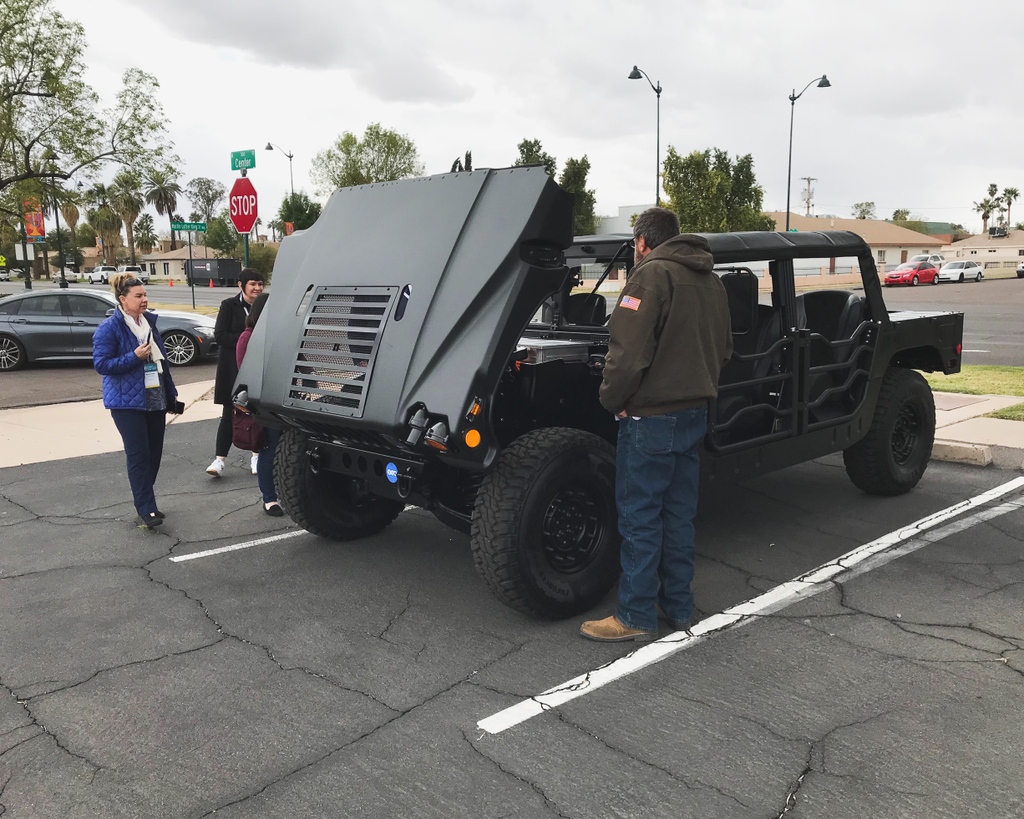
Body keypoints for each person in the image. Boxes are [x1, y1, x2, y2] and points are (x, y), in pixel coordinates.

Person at [580, 208, 733, 642]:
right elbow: (725, 350)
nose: (634, 250)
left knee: (641, 518)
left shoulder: (650, 277)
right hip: (693, 413)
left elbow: (626, 354)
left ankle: (634, 615)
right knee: (679, 517)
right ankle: (679, 607)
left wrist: (612, 400)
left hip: (650, 419)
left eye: (634, 243)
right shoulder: (711, 281)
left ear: (643, 241)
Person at [93, 272, 181, 529]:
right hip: (126, 402)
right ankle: (146, 508)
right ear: (123, 299)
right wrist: (133, 357)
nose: (144, 300)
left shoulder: (148, 323)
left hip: (155, 397)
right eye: (139, 296)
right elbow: (101, 364)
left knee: (154, 452)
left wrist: (171, 394)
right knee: (138, 454)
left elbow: (162, 363)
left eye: (145, 295)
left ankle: (145, 497)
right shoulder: (109, 328)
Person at [207, 268, 265, 477]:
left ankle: (256, 457)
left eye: (260, 284)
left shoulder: (265, 306)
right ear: (241, 286)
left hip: (256, 371)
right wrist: (247, 338)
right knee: (228, 415)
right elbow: (220, 336)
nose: (257, 288)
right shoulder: (229, 306)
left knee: (256, 415)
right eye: (253, 284)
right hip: (231, 371)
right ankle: (219, 460)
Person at [235, 293, 284, 516]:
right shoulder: (248, 338)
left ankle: (287, 490)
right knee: (269, 449)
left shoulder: (280, 335)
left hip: (284, 399)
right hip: (264, 402)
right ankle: (270, 498)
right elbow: (246, 373)